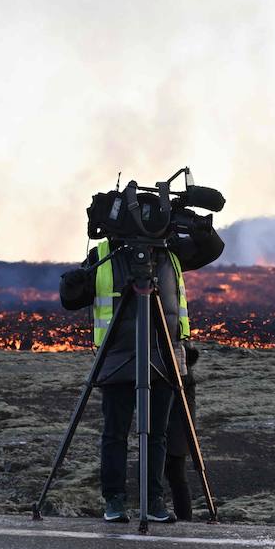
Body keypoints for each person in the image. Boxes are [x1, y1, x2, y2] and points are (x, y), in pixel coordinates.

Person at [63, 206, 223, 524]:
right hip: (120, 356)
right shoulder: (105, 255)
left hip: (162, 354)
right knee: (117, 433)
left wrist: (195, 222)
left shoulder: (169, 251)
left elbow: (211, 248)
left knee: (155, 434)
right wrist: (73, 281)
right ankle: (116, 501)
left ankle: (151, 501)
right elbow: (72, 298)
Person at [162, 345, 201, 521]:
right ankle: (185, 518)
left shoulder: (179, 374)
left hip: (171, 431)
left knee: (169, 474)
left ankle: (155, 510)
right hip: (179, 432)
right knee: (177, 476)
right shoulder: (185, 371)